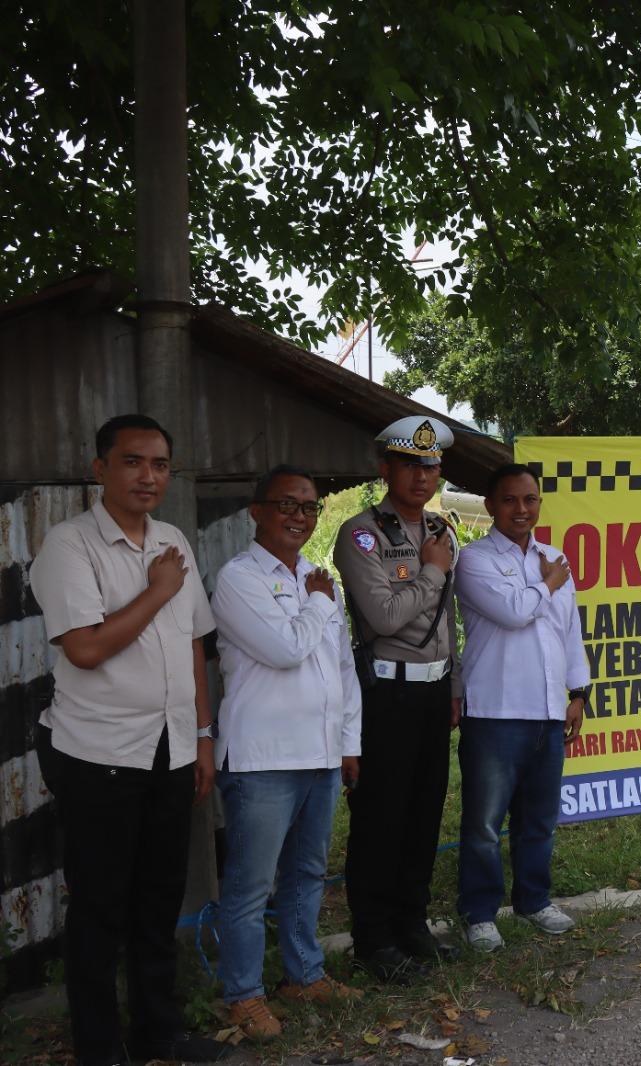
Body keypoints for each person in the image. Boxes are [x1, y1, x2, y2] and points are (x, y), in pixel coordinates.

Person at [29, 414, 229, 1066]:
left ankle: (158, 1032)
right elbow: (84, 648)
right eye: (134, 461)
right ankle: (99, 1046)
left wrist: (202, 737)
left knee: (158, 900)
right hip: (99, 757)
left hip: (171, 751)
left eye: (160, 464)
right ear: (101, 470)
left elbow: (194, 646)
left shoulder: (172, 538)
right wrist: (157, 591)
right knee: (100, 909)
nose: (149, 476)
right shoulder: (71, 545)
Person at [209, 466, 364, 1040]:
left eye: (309, 507)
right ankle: (242, 995)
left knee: (306, 874)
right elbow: (285, 649)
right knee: (251, 886)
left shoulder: (318, 579)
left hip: (320, 754)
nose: (299, 516)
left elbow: (342, 669)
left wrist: (348, 745)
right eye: (287, 505)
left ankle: (304, 974)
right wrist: (320, 603)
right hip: (263, 759)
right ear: (256, 512)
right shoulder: (238, 578)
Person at [332, 416, 461, 981]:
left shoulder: (440, 530)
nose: (422, 476)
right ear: (386, 468)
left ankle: (412, 923)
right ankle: (373, 938)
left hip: (433, 694)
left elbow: (445, 621)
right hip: (385, 693)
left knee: (423, 813)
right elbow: (383, 617)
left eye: (431, 466)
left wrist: (454, 684)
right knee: (381, 818)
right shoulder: (362, 534)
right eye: (411, 464)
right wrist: (431, 574)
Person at [453, 463, 591, 949]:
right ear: (491, 505)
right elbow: (513, 612)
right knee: (485, 824)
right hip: (495, 712)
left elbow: (568, 631)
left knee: (538, 819)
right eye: (510, 500)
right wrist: (546, 584)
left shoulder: (555, 558)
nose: (521, 509)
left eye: (530, 500)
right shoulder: (473, 560)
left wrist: (578, 693)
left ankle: (534, 901)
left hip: (548, 712)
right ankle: (479, 912)